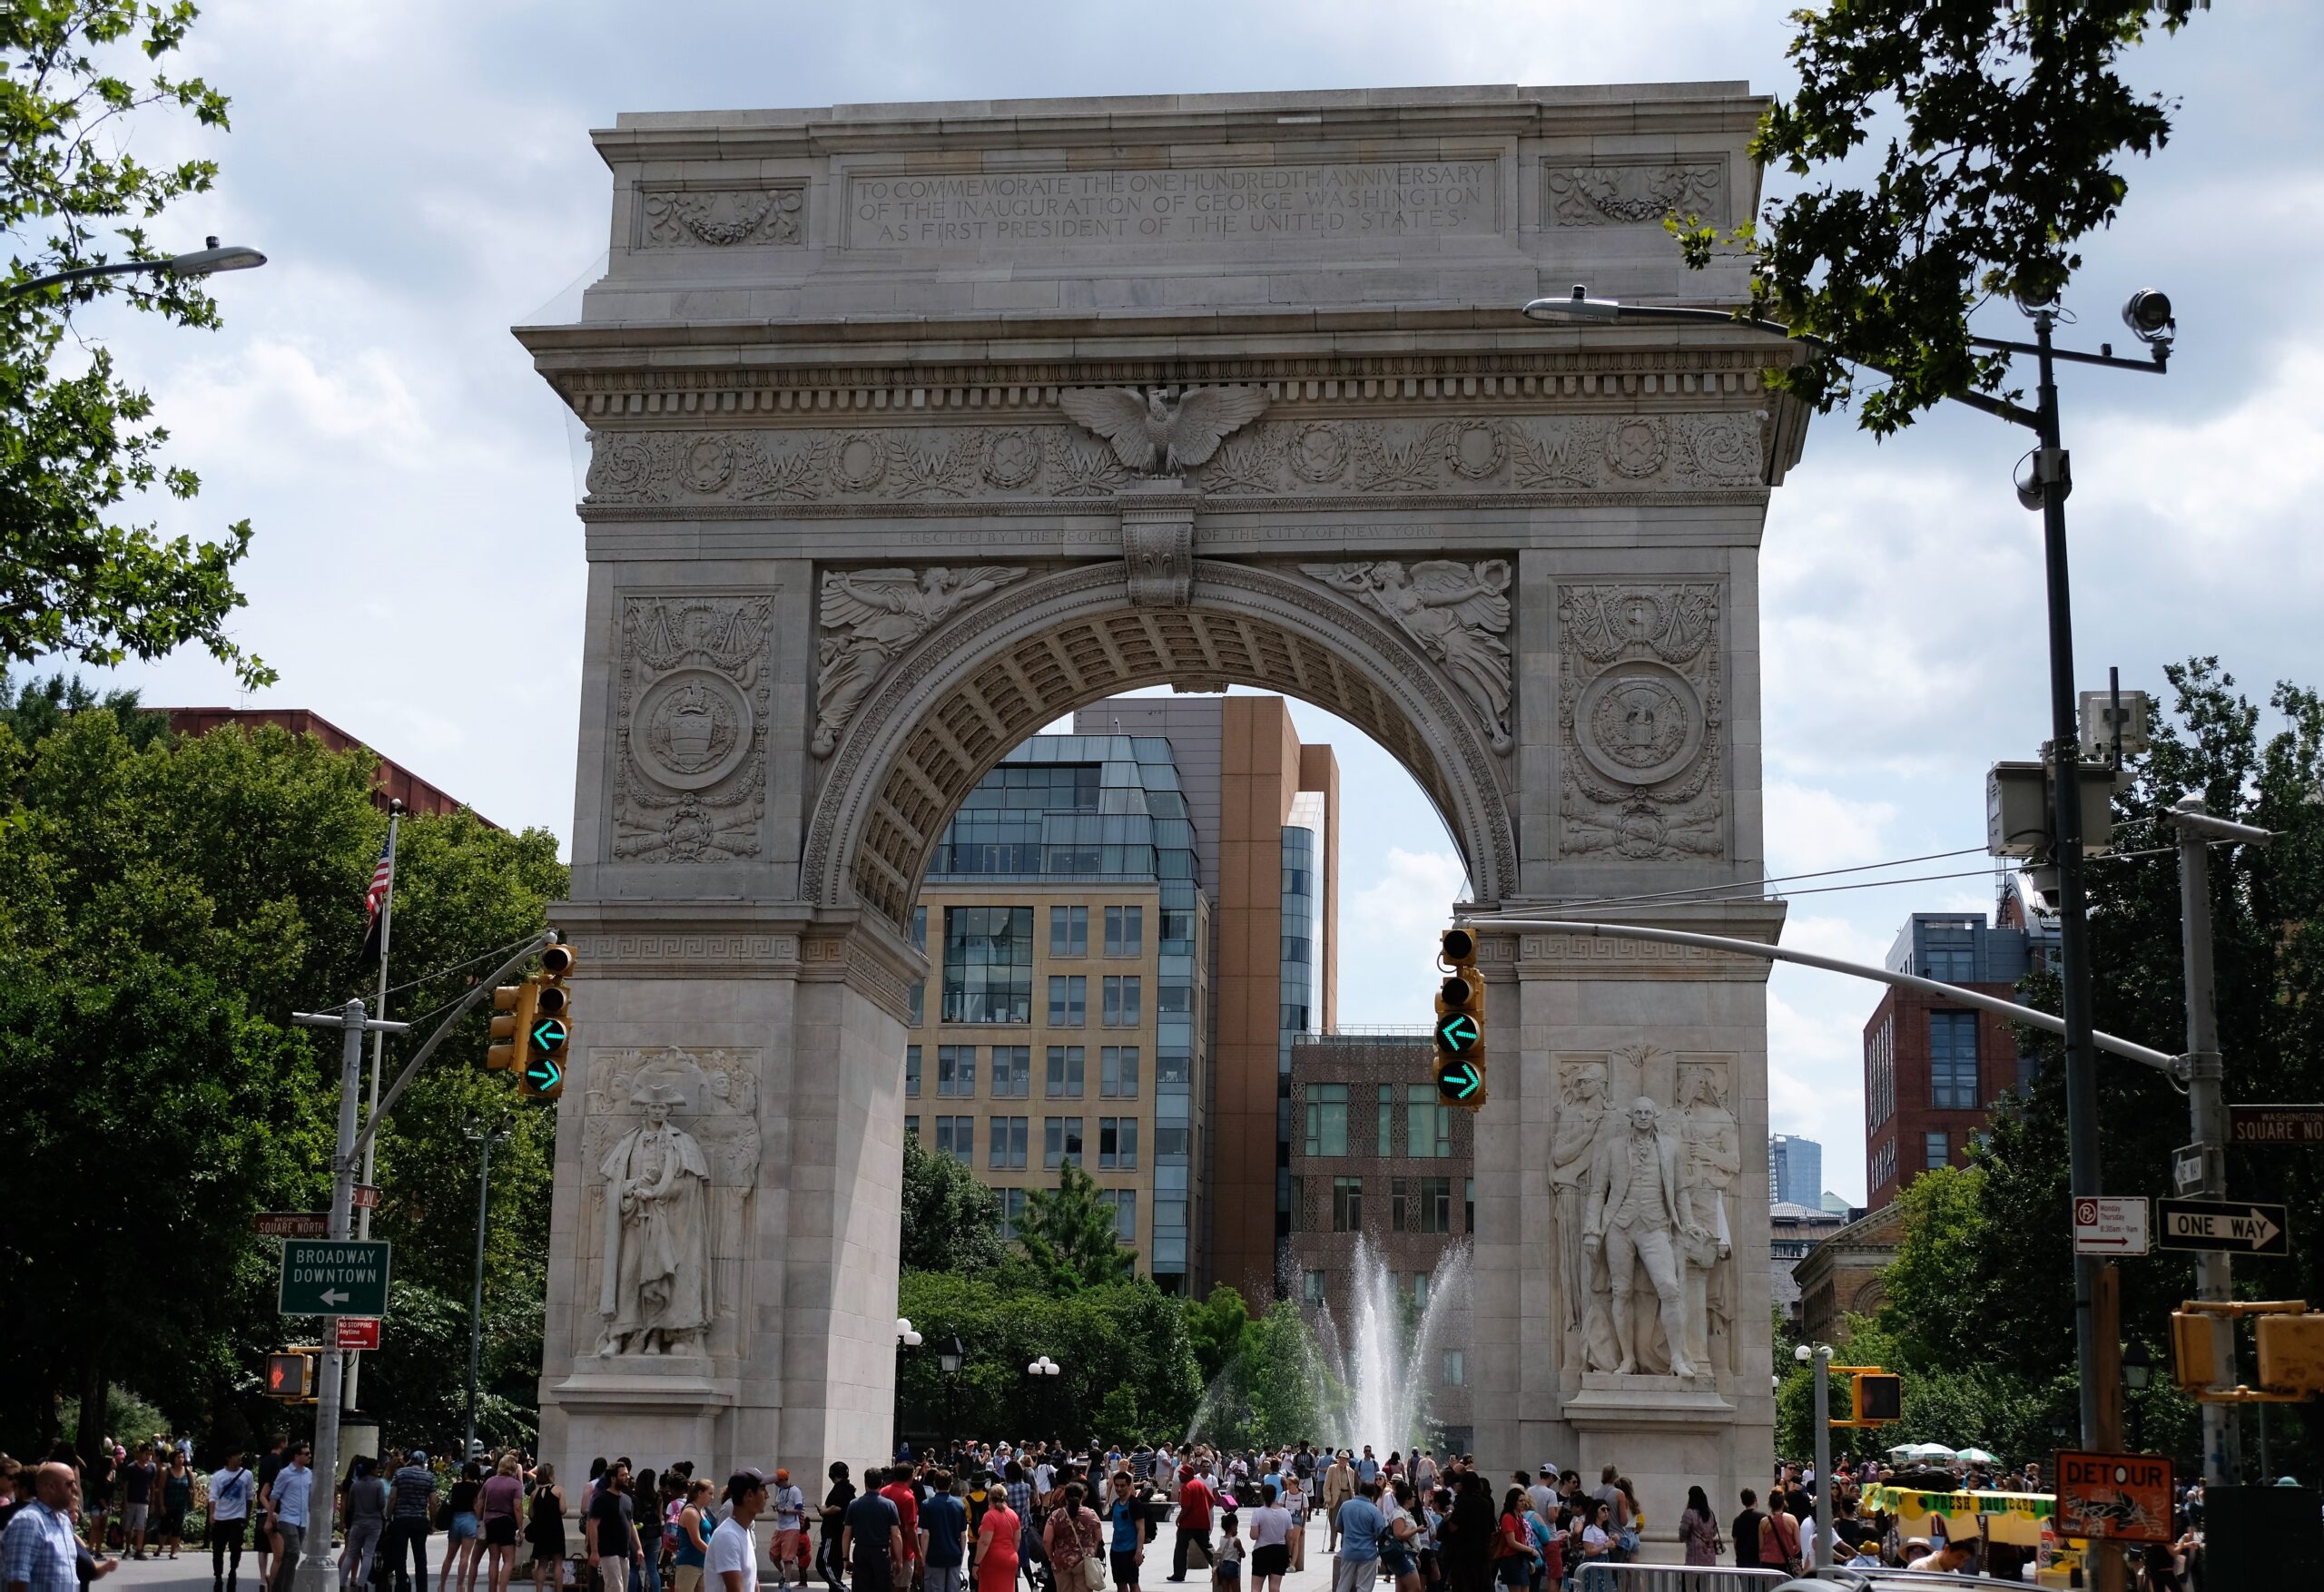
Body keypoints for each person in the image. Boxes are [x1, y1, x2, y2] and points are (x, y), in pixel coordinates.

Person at [5, 1461, 119, 1592]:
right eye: (70, 1484)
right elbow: (17, 1578)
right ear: (51, 1487)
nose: (75, 1489)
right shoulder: (29, 1520)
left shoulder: (64, 1520)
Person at [842, 1468, 903, 1592]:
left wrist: (845, 1558)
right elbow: (895, 1535)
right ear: (882, 1482)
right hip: (881, 1552)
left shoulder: (854, 1504)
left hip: (861, 1551)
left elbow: (846, 1534)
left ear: (865, 1482)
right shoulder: (889, 1505)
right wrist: (899, 1560)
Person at [267, 1443, 315, 1592]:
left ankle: (276, 1587)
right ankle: (288, 1588)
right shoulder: (285, 1474)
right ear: (296, 1456)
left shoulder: (309, 1474)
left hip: (302, 1520)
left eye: (309, 1453)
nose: (309, 1456)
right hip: (287, 1519)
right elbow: (274, 1497)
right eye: (306, 1454)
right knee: (294, 1552)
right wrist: (269, 1519)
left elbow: (310, 1497)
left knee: (289, 1555)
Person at [209, 1449, 257, 1590]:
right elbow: (212, 1496)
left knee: (236, 1547)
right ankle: (218, 1576)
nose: (240, 1458)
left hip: (238, 1517)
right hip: (221, 1517)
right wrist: (212, 1514)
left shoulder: (247, 1475)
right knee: (218, 1549)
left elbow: (249, 1496)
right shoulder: (218, 1476)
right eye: (236, 1455)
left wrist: (246, 1516)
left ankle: (233, 1571)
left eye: (240, 1455)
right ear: (228, 1458)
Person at [709, 1472, 765, 1592]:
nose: (767, 1495)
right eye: (763, 1489)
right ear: (750, 1495)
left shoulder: (743, 1531)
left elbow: (752, 1580)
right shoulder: (727, 1536)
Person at [588, 1462, 640, 1592]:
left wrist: (639, 1548)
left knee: (622, 1588)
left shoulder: (627, 1499)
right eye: (622, 1475)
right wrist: (594, 1551)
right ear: (613, 1478)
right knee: (615, 1588)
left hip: (624, 1551)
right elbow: (593, 1525)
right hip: (608, 1551)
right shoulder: (601, 1499)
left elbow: (631, 1524)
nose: (627, 1477)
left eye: (627, 1474)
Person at [1040, 1483, 1101, 1592]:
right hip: (1084, 1560)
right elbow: (1098, 1537)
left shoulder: (1056, 1515)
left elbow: (1046, 1540)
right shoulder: (1091, 1514)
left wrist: (1051, 1558)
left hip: (1061, 1560)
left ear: (1065, 1496)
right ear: (1082, 1496)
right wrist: (1092, 1551)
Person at [342, 1458, 390, 1592]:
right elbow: (381, 1504)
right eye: (376, 1468)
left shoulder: (356, 1485)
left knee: (351, 1553)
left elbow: (350, 1505)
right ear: (371, 1470)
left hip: (357, 1522)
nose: (378, 1470)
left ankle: (341, 1582)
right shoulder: (378, 1484)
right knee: (368, 1553)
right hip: (374, 1523)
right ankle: (361, 1583)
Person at [478, 1455, 525, 1592]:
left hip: (490, 1522)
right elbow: (517, 1507)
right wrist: (520, 1527)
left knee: (494, 1559)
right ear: (513, 1468)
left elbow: (479, 1504)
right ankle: (502, 1589)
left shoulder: (490, 1482)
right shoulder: (515, 1484)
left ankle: (491, 1589)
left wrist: (480, 1520)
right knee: (509, 1560)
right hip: (506, 1522)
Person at [970, 1467, 1020, 1592]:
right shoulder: (1013, 1514)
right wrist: (1011, 1552)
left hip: (993, 1560)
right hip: (1011, 1558)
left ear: (990, 1497)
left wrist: (976, 1563)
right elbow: (1017, 1540)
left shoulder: (989, 1516)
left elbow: (984, 1542)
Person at [1332, 1481, 1384, 1592]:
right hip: (1367, 1553)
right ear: (1372, 1494)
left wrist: (1349, 1533)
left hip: (1348, 1551)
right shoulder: (1374, 1511)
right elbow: (1380, 1533)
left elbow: (1338, 1528)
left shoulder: (1345, 1506)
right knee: (1364, 1587)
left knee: (1343, 1583)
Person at [1167, 1466, 1212, 1583]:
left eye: (1181, 1474)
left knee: (1181, 1548)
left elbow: (1186, 1507)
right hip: (1202, 1522)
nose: (1179, 1476)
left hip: (1188, 1524)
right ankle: (1222, 1570)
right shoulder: (1201, 1484)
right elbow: (1212, 1500)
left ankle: (1179, 1574)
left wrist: (1179, 1518)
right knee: (1207, 1548)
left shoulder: (1187, 1487)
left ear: (1188, 1475)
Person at [1102, 1471, 1147, 1592]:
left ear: (1129, 1485)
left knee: (1133, 1583)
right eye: (1117, 1485)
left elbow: (1141, 1529)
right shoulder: (1115, 1504)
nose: (1119, 1488)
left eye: (1122, 1485)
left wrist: (1139, 1551)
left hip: (1130, 1551)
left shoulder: (1135, 1504)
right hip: (1116, 1551)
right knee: (1120, 1584)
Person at [525, 1466, 566, 1592]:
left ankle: (539, 1590)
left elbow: (531, 1514)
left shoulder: (534, 1493)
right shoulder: (558, 1490)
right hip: (555, 1529)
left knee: (542, 1563)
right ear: (551, 1475)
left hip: (541, 1530)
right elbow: (563, 1510)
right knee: (557, 1563)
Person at [767, 1469, 810, 1590]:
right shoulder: (780, 1490)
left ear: (783, 1480)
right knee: (773, 1554)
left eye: (777, 1481)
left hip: (792, 1527)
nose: (775, 1484)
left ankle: (787, 1583)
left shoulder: (795, 1491)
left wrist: (784, 1511)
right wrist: (777, 1508)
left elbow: (799, 1509)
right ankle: (783, 1573)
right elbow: (779, 1503)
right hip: (780, 1526)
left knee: (787, 1557)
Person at [817, 1464, 856, 1592]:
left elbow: (837, 1507)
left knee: (823, 1563)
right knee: (835, 1566)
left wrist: (824, 1511)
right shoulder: (848, 1489)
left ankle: (842, 1589)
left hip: (832, 1534)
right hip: (840, 1534)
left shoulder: (839, 1489)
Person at [1757, 1494, 1802, 1578]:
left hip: (1767, 1563)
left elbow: (1761, 1547)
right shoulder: (1792, 1519)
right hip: (1785, 1563)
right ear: (1783, 1503)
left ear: (1770, 1504)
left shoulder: (1763, 1522)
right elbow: (1798, 1545)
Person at [1677, 1488, 1718, 1568]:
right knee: (1705, 1580)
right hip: (1709, 1556)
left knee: (1692, 1580)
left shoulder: (1689, 1513)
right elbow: (1714, 1531)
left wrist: (1682, 1538)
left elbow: (1683, 1532)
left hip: (1695, 1556)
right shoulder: (1710, 1513)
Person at [1320, 1457, 1354, 1556]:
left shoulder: (1350, 1471)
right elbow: (1326, 1485)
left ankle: (1344, 1544)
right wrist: (1328, 1499)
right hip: (1335, 1498)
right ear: (1339, 1459)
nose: (1343, 1461)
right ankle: (1332, 1544)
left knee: (1346, 1522)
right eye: (1341, 1459)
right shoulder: (1332, 1468)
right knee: (1334, 1521)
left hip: (1346, 1496)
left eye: (1345, 1459)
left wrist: (1353, 1499)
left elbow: (1351, 1487)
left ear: (1348, 1460)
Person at [1728, 1489, 1764, 1572]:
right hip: (1757, 1560)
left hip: (1742, 1560)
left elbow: (1735, 1542)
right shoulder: (1762, 1517)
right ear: (1755, 1499)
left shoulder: (1737, 1520)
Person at [1211, 1506, 1241, 1592]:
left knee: (1225, 1590)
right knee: (1236, 1589)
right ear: (1232, 1526)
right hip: (1232, 1567)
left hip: (1223, 1567)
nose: (1237, 1529)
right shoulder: (1236, 1541)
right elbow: (1243, 1554)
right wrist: (1240, 1553)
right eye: (1236, 1527)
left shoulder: (1222, 1539)